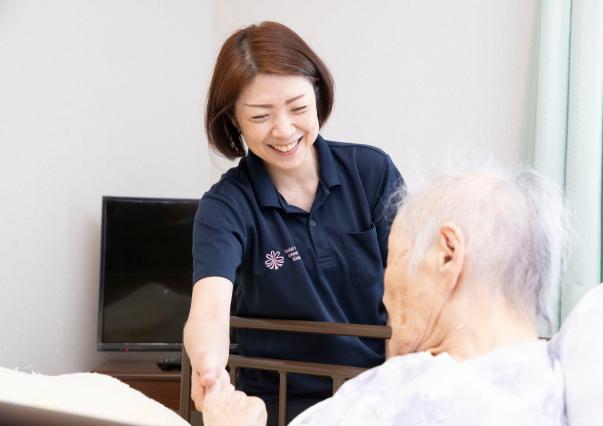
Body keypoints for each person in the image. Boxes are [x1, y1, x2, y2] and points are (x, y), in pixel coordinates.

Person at [202, 164, 571, 425]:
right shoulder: (567, 385)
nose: (385, 295)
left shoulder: (397, 398)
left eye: (393, 259)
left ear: (447, 255)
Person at [183, 21, 403, 425]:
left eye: (298, 108)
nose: (284, 130)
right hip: (279, 404)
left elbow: (414, 287)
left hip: (374, 396)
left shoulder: (371, 172)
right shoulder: (226, 206)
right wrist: (211, 374)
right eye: (261, 115)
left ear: (317, 96)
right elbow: (209, 310)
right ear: (234, 120)